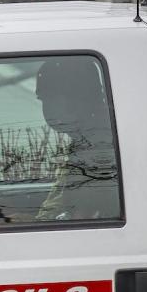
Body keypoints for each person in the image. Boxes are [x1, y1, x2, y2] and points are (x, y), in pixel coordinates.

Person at [34, 57, 119, 222]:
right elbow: (57, 208)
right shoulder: (85, 140)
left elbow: (81, 218)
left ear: (77, 98)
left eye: (48, 98)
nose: (46, 107)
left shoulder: (100, 148)